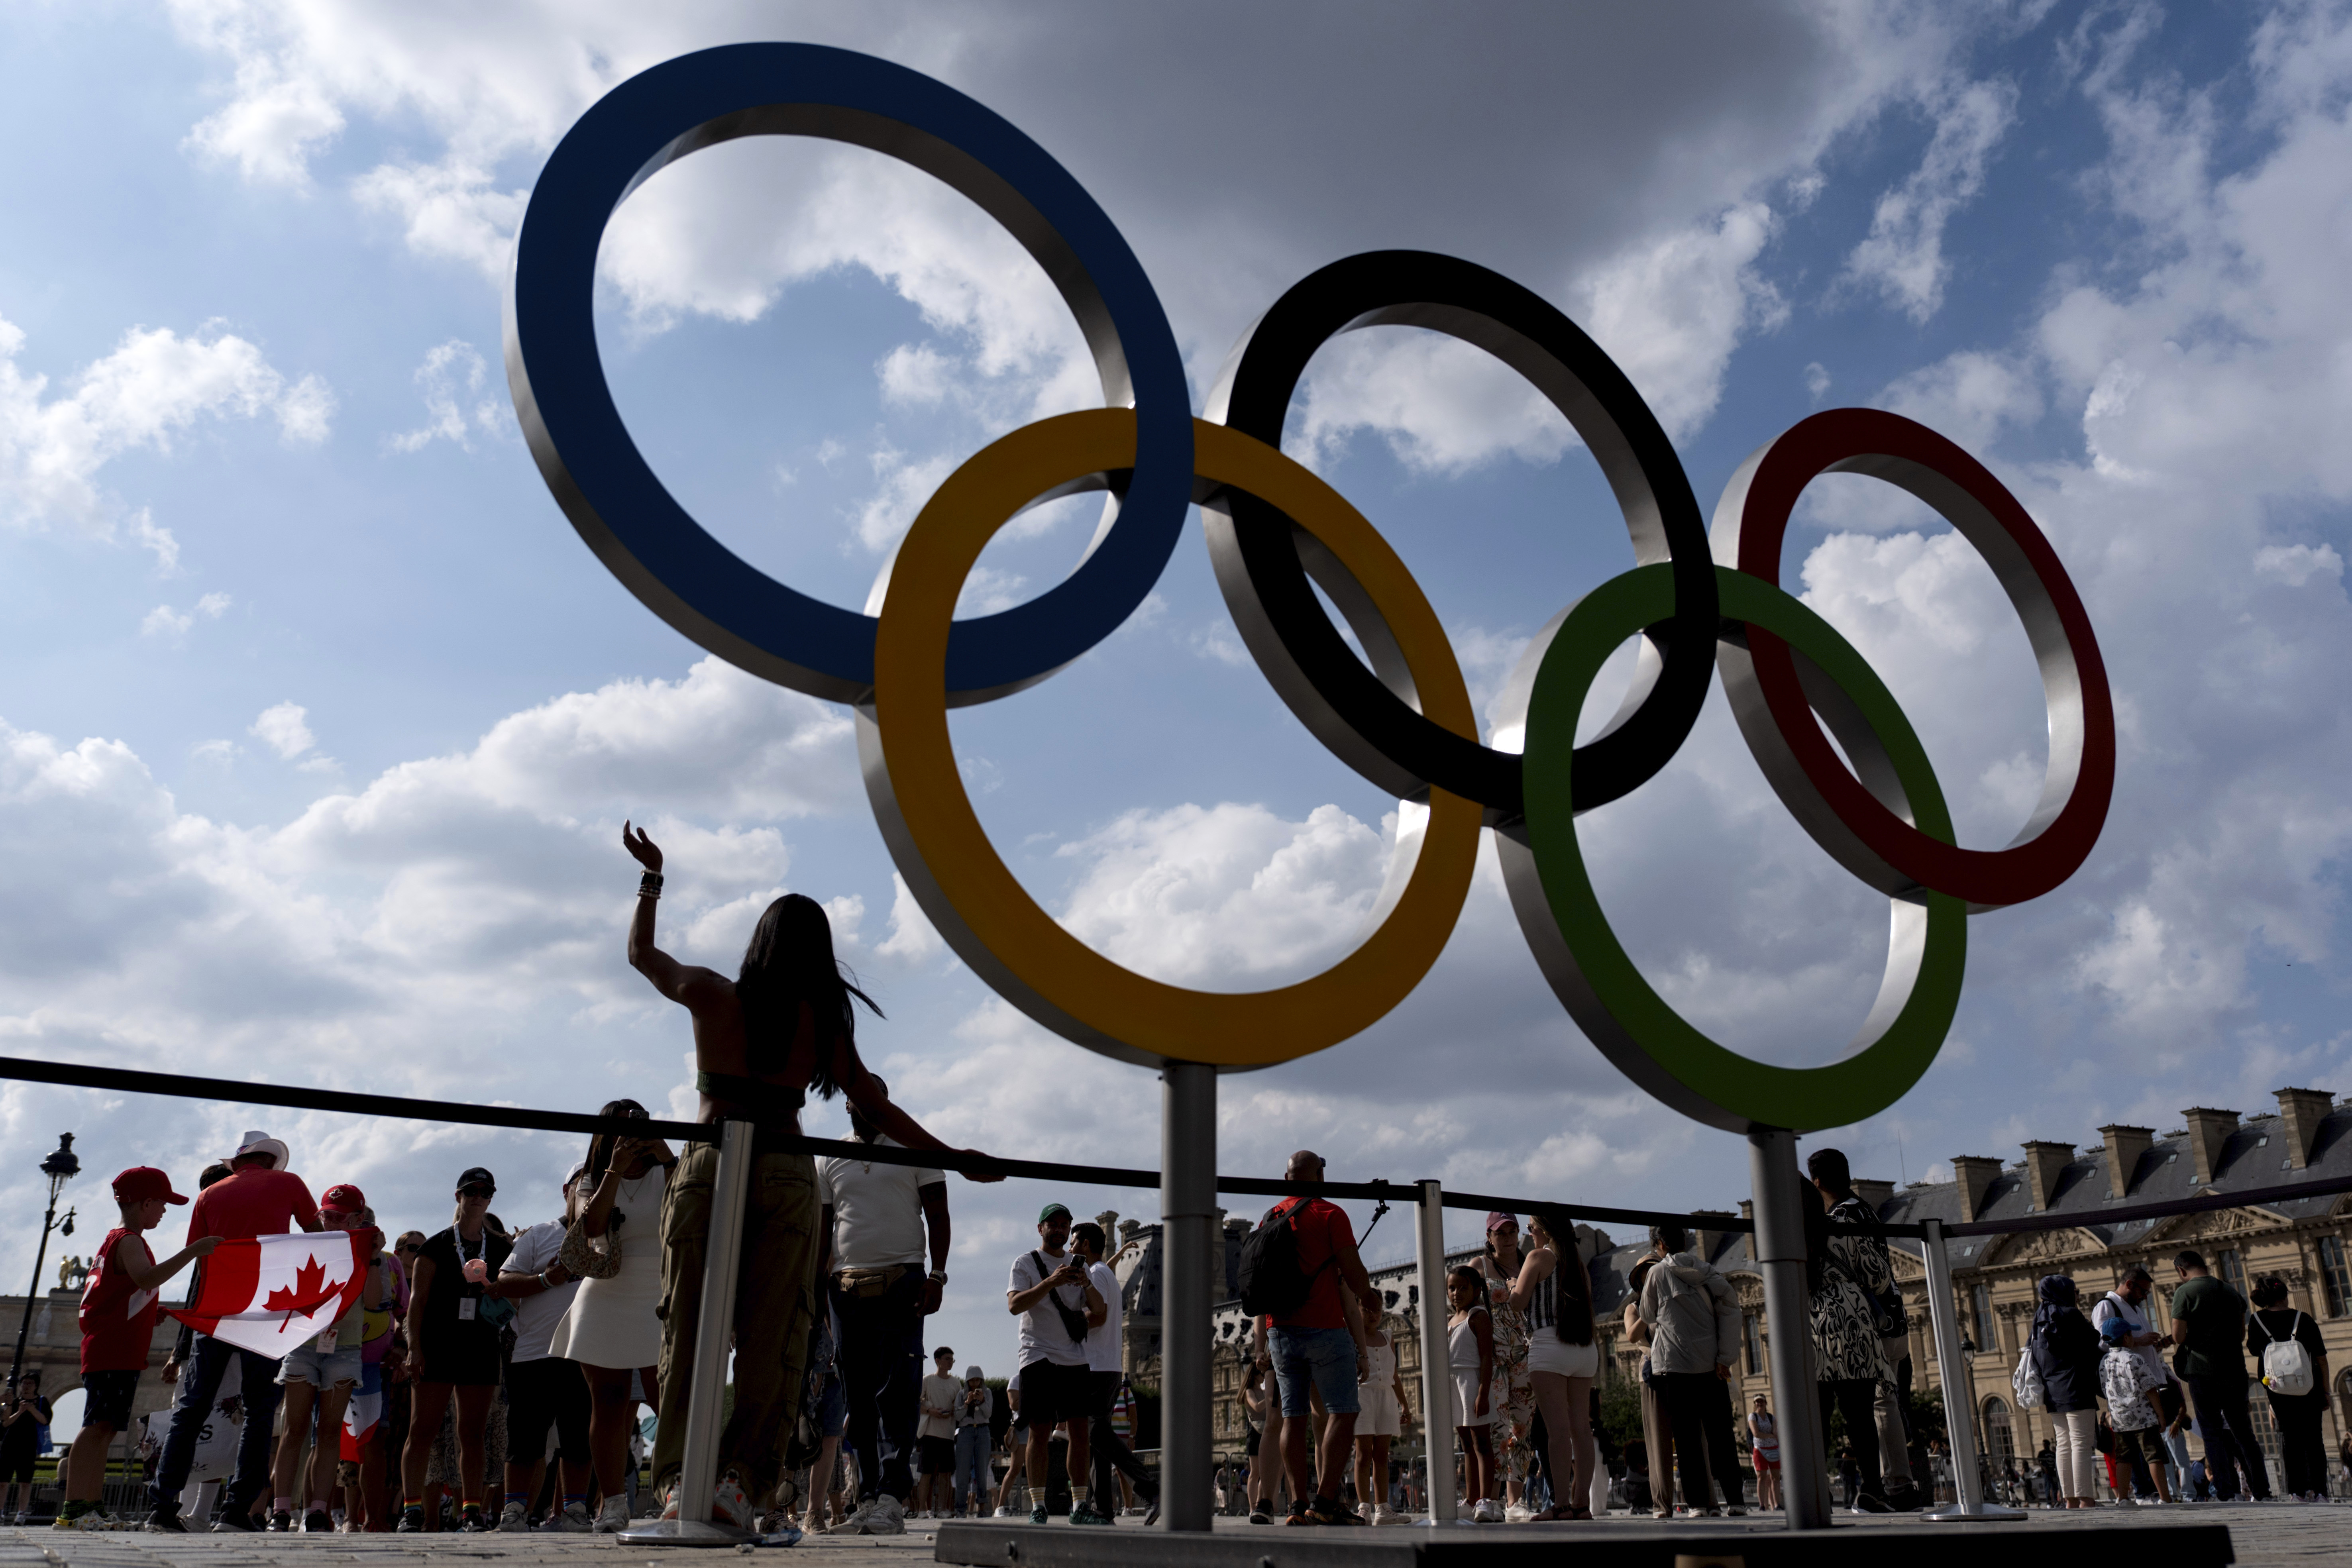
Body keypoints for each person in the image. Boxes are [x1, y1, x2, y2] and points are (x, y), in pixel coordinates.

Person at [620, 828, 994, 1532]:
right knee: (774, 1337)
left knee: (689, 1329)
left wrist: (653, 880)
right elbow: (879, 1108)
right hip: (787, 1171)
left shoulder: (710, 995)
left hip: (710, 1162)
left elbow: (640, 956)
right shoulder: (819, 1026)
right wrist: (958, 1156)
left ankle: (677, 1482)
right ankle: (740, 1483)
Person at [147, 1130, 323, 1532]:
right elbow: (319, 1238)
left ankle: (161, 1507)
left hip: (215, 1311)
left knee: (190, 1410)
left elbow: (197, 1253)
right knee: (259, 1411)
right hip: (264, 1311)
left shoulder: (210, 1195)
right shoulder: (289, 1183)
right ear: (271, 1160)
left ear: (238, 1161)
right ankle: (235, 1510)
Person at [816, 1077, 949, 1535]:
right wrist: (818, 1287)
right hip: (845, 1283)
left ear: (886, 1102)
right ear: (846, 1104)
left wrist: (938, 1273)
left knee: (898, 1385)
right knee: (857, 1392)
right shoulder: (829, 1154)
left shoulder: (913, 1145)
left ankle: (892, 1495)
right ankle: (868, 1494)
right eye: (855, 1099)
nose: (863, 1106)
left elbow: (938, 1212)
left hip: (903, 1276)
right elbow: (823, 1226)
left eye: (874, 1099)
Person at [52, 1170, 217, 1530]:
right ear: (145, 1203)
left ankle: (89, 1506)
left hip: (113, 1348)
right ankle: (75, 1508)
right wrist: (193, 1250)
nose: (164, 1211)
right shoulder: (130, 1241)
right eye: (162, 1204)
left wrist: (148, 1311)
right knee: (97, 1427)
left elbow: (122, 1291)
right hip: (112, 1350)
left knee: (106, 1427)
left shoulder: (118, 1240)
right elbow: (146, 1278)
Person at [548, 1106, 673, 1533]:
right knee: (609, 1400)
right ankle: (614, 1503)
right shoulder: (591, 1178)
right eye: (624, 1129)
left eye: (642, 1125)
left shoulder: (668, 1167)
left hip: (660, 1290)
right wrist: (614, 1171)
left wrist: (668, 1155)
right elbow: (591, 1227)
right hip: (607, 1289)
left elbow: (692, 1209)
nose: (634, 1136)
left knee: (668, 1396)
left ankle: (680, 1490)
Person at [1258, 1150, 1381, 1527]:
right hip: (1324, 1327)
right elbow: (1353, 1272)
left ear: (1286, 1177)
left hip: (1280, 1329)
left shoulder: (1271, 1216)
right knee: (1343, 1412)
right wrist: (1371, 1297)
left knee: (1292, 1417)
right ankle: (1326, 1501)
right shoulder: (1330, 1213)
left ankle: (1297, 1504)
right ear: (1321, 1177)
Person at [399, 1167, 514, 1533]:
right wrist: (414, 1349)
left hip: (481, 1346)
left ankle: (471, 1511)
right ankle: (412, 1508)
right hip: (438, 1345)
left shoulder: (500, 1247)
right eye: (471, 1190)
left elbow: (516, 1292)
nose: (478, 1196)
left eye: (485, 1191)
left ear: (491, 1197)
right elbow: (416, 1304)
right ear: (458, 1196)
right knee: (423, 1429)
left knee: (473, 1433)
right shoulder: (435, 1246)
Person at [1808, 1150, 1920, 1510]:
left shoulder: (1831, 1220)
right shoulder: (1865, 1210)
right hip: (1888, 1317)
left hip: (1850, 1327)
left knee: (1873, 1405)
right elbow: (1879, 1273)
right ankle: (1897, 1483)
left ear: (1818, 1182)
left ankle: (1894, 1484)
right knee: (1887, 1400)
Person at [268, 1185, 382, 1531]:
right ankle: (281, 1510)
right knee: (294, 1429)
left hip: (344, 1349)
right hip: (303, 1346)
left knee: (329, 1431)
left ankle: (317, 1510)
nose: (329, 1220)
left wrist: (374, 1255)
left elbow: (375, 1302)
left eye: (338, 1215)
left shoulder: (365, 1251)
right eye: (326, 1214)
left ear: (356, 1218)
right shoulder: (305, 1247)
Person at [494, 1165, 593, 1533]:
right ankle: (514, 1512)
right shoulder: (540, 1234)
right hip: (535, 1353)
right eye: (583, 1185)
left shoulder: (610, 1236)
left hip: (587, 1353)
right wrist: (545, 1279)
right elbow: (504, 1282)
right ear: (566, 1189)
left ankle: (576, 1512)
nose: (589, 1193)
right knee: (525, 1440)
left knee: (579, 1439)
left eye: (596, 1186)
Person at [1005, 1203, 1107, 1524]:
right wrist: (1051, 1281)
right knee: (1040, 1429)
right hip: (1038, 1354)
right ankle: (1039, 1505)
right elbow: (1015, 1304)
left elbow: (1100, 1311)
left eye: (1065, 1224)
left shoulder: (1080, 1266)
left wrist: (1086, 1283)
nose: (1060, 1229)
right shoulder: (1025, 1262)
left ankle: (1079, 1506)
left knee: (1080, 1430)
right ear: (1041, 1228)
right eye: (1054, 1223)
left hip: (1074, 1356)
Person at [1636, 1221, 1744, 1517]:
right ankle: (1736, 1500)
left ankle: (1698, 1503)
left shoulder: (1658, 1272)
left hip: (1677, 1366)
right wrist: (1725, 1356)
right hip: (1712, 1364)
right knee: (1721, 1435)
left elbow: (1646, 1313)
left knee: (1687, 1440)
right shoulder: (1708, 1271)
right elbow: (1730, 1308)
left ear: (1660, 1245)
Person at [1800, 1175, 1889, 1513]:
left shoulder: (1787, 1238)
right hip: (1852, 1326)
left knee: (1816, 1418)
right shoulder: (1841, 1226)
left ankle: (1816, 1490)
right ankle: (1872, 1491)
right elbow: (1878, 1277)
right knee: (1860, 1416)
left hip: (1811, 1330)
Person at [1506, 1209, 1601, 1521]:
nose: (1529, 1233)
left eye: (1531, 1227)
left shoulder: (1537, 1258)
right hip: (1584, 1348)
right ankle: (1581, 1504)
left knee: (1557, 1431)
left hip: (1549, 1345)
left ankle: (1560, 1504)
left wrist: (1511, 1286)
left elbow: (1518, 1302)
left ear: (1544, 1230)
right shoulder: (1579, 1264)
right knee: (1581, 1429)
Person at [1070, 1222, 1158, 1523]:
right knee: (1098, 1439)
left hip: (1095, 1365)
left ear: (1085, 1244)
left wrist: (1071, 1324)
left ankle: (1153, 1490)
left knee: (1096, 1432)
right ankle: (1103, 1510)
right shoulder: (1105, 1274)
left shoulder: (1095, 1274)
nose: (1070, 1249)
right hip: (1109, 1365)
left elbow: (1098, 1315)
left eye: (1074, 1242)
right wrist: (1119, 1254)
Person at [2171, 1249, 2268, 1501]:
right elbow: (2240, 1334)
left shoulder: (2185, 1292)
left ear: (2181, 1270)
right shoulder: (2231, 1291)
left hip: (2202, 1371)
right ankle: (2262, 1490)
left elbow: (2178, 1337)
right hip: (2234, 1370)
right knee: (2245, 1433)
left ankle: (2226, 1491)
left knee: (2212, 1433)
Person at [2090, 1264, 2174, 1501]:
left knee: (2124, 1456)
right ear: (2129, 1285)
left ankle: (2123, 1498)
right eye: (2143, 1291)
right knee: (2153, 1454)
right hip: (2142, 1406)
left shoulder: (2131, 1308)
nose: (2146, 1296)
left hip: (2121, 1412)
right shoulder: (2107, 1306)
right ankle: (2162, 1497)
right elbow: (2103, 1340)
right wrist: (2139, 1342)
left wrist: (2152, 1344)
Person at [1471, 1214, 1536, 1519]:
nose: (1508, 1237)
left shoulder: (1529, 1265)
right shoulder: (1480, 1266)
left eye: (1513, 1231)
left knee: (1522, 1427)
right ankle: (1491, 1499)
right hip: (1494, 1353)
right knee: (1497, 1426)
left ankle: (1515, 1502)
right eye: (1502, 1232)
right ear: (1489, 1235)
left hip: (1526, 1352)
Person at [2246, 1274, 2329, 1501]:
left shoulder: (2257, 1320)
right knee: (2315, 1440)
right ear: (2285, 1295)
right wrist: (2325, 1390)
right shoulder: (2304, 1318)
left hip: (2278, 1388)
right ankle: (2320, 1492)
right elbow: (2321, 1358)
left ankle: (2297, 1492)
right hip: (2309, 1386)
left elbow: (2254, 1350)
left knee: (2291, 1440)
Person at [2026, 1276, 2101, 1508]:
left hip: (2053, 1391)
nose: (2077, 1295)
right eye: (2075, 1291)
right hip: (2076, 1386)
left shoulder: (2039, 1320)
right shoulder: (2069, 1314)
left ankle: (2069, 1498)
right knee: (2081, 1443)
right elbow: (2094, 1339)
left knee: (2064, 1443)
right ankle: (2086, 1498)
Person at [1620, 1255, 1673, 1516]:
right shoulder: (1634, 1306)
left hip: (1679, 1370)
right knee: (1658, 1443)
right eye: (1646, 1272)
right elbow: (1632, 1335)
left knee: (1692, 1437)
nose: (1651, 1275)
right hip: (1652, 1375)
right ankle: (1662, 1503)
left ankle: (1703, 1502)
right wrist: (1649, 1306)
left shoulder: (1673, 1298)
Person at [1353, 1305, 1412, 1525]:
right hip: (1363, 1396)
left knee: (1381, 1457)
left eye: (1376, 1309)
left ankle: (1382, 1508)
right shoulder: (1352, 1335)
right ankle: (1364, 1508)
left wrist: (1404, 1405)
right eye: (1367, 1309)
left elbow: (1394, 1374)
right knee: (1363, 1455)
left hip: (1386, 1397)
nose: (1373, 1314)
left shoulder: (1388, 1337)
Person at [1446, 1265, 1497, 1520]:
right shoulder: (1449, 1322)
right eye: (1452, 1288)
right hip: (1453, 1384)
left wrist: (1482, 1393)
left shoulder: (1478, 1317)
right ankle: (1471, 1498)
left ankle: (1486, 1500)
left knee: (1482, 1444)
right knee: (1466, 1445)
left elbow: (1487, 1357)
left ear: (1477, 1290)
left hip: (1472, 1382)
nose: (1457, 1293)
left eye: (1463, 1288)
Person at [914, 1347, 960, 1518]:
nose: (950, 1362)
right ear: (938, 1361)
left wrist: (953, 1411)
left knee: (945, 1474)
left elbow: (959, 1406)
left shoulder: (956, 1383)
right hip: (929, 1434)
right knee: (926, 1473)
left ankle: (943, 1510)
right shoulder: (927, 1380)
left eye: (952, 1360)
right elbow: (917, 1404)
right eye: (947, 1359)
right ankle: (921, 1511)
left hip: (948, 1434)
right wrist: (932, 1411)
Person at [1, 1372, 50, 1525]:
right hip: (10, 1445)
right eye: (24, 1383)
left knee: (25, 1482)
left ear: (36, 1386)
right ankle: (1, 1512)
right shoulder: (14, 1402)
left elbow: (45, 1421)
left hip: (29, 1447)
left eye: (30, 1383)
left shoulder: (42, 1402)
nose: (26, 1386)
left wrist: (32, 1410)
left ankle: (21, 1514)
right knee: (2, 1482)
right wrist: (19, 1410)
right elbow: (5, 1423)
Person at [951, 1366, 993, 1520]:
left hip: (983, 1431)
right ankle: (961, 1510)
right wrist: (967, 1403)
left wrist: (982, 1401)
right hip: (965, 1432)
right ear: (968, 1381)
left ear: (982, 1380)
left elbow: (988, 1413)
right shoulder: (961, 1395)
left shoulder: (987, 1393)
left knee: (982, 1472)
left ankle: (982, 1508)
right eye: (972, 1380)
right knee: (962, 1473)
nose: (975, 1384)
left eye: (978, 1380)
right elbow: (958, 1416)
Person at [1747, 1395, 1780, 1511]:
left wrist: (1771, 1435)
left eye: (1762, 1401)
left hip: (1774, 1449)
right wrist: (1771, 1435)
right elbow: (1756, 1433)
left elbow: (1776, 1433)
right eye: (1757, 1402)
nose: (1759, 1404)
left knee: (1775, 1478)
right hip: (1760, 1449)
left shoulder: (1771, 1417)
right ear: (1755, 1404)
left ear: (1766, 1403)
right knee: (1761, 1477)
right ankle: (1762, 1505)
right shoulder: (1753, 1416)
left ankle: (1777, 1505)